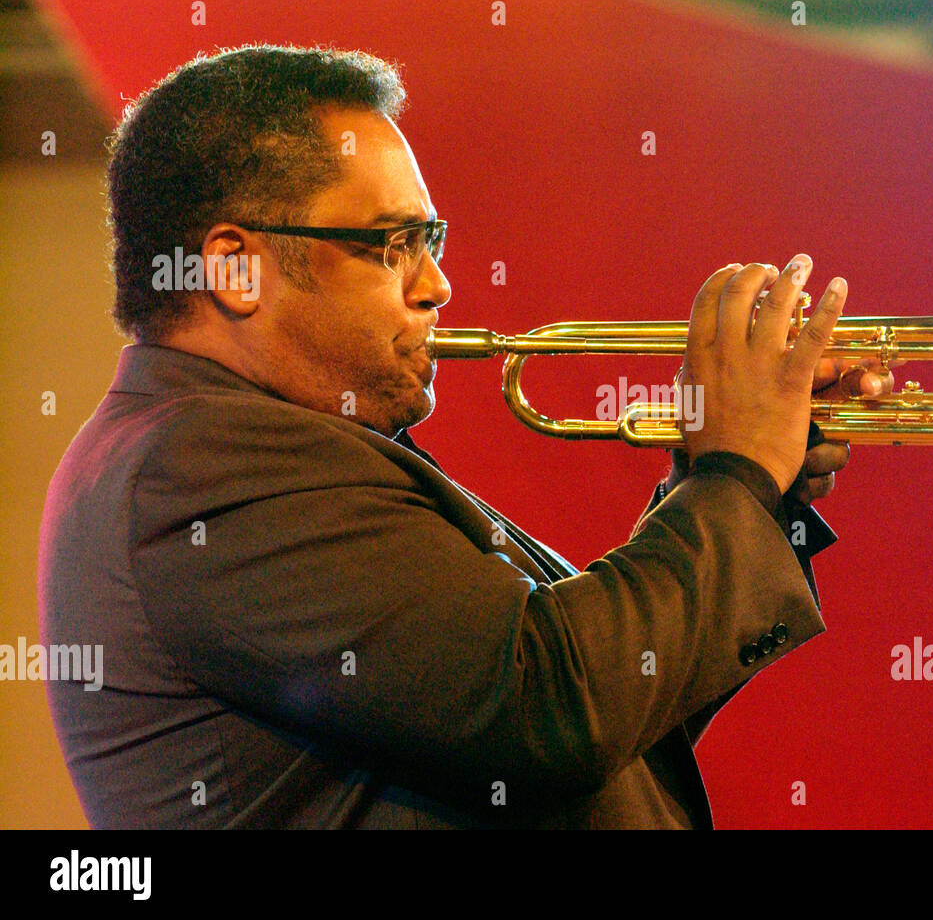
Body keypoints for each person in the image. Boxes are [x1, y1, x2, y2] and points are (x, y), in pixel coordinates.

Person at [38, 45, 890, 828]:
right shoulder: (203, 464)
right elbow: (552, 704)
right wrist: (732, 473)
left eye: (432, 241)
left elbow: (616, 709)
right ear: (233, 267)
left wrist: (754, 490)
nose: (439, 284)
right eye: (394, 245)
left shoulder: (261, 444)